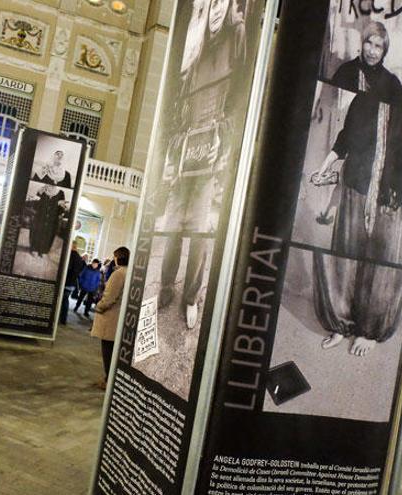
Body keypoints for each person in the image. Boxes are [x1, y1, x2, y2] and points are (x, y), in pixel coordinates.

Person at [310, 21, 402, 357]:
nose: (373, 51)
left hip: (388, 192)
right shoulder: (347, 75)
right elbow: (345, 137)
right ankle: (340, 324)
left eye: (380, 46)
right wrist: (324, 167)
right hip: (356, 184)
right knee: (344, 254)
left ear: (386, 50)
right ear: (362, 44)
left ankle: (368, 331)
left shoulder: (394, 88)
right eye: (369, 44)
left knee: (379, 260)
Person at [158, 0, 247, 330]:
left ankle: (191, 297)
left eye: (222, 4)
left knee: (199, 232)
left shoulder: (236, 33)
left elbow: (240, 95)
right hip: (184, 147)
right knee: (171, 229)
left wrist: (224, 136)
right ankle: (167, 286)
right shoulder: (193, 40)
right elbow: (178, 96)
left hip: (213, 148)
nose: (216, 10)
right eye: (212, 5)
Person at [90, 247, 129, 389]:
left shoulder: (119, 274)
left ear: (118, 258)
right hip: (119, 317)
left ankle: (108, 381)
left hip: (111, 317)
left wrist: (98, 307)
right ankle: (109, 379)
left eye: (115, 257)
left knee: (108, 351)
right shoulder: (129, 272)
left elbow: (109, 297)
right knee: (113, 351)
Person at [27, 184, 66, 256]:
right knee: (37, 232)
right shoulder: (41, 190)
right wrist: (37, 197)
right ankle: (34, 249)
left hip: (52, 219)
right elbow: (35, 206)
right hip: (40, 217)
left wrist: (61, 206)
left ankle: (44, 250)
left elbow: (61, 210)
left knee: (49, 234)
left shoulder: (61, 193)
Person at [60, 242, 86, 325]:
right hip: (72, 283)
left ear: (71, 246)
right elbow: (80, 271)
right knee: (65, 300)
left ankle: (60, 318)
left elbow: (67, 269)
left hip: (65, 282)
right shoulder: (79, 258)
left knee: (62, 301)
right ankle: (63, 319)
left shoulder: (70, 255)